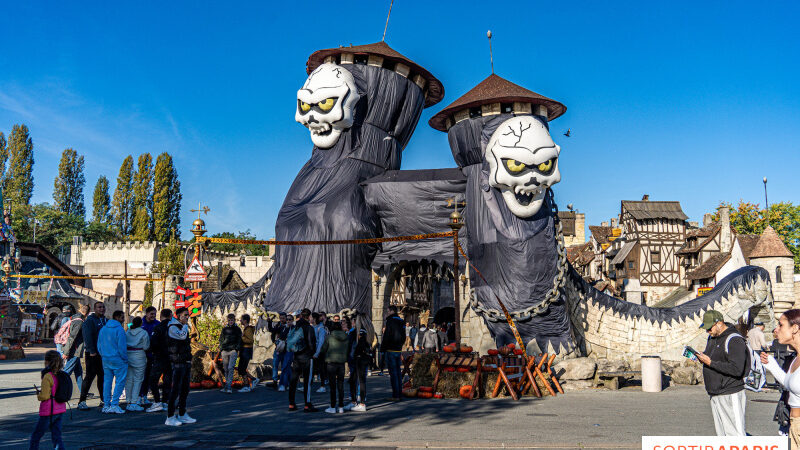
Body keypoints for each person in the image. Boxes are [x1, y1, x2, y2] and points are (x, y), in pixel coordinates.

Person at [695, 310, 749, 436]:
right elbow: (714, 358)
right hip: (715, 393)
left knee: (736, 434)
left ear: (719, 323)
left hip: (730, 392)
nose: (708, 331)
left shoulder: (734, 339)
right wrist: (702, 357)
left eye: (709, 328)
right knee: (722, 435)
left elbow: (737, 369)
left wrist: (710, 363)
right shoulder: (712, 338)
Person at [762, 309, 800, 447]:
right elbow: (790, 384)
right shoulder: (796, 358)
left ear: (795, 328)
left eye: (781, 325)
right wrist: (772, 365)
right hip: (793, 425)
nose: (776, 329)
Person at [29, 350, 67, 450]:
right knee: (57, 437)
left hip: (49, 410)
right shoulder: (61, 374)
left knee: (36, 436)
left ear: (47, 361)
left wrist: (39, 395)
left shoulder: (47, 376)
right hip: (60, 408)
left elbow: (45, 396)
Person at [165, 307, 196, 426]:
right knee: (175, 390)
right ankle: (170, 416)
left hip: (185, 361)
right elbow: (182, 336)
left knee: (185, 390)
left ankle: (182, 414)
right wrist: (184, 326)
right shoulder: (173, 327)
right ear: (178, 316)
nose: (187, 317)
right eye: (185, 315)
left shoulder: (181, 327)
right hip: (177, 362)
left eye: (188, 315)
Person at [98, 310, 128, 414]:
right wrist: (125, 358)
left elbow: (99, 345)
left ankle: (106, 404)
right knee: (120, 381)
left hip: (106, 358)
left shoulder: (103, 329)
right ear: (118, 318)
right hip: (118, 359)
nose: (123, 319)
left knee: (107, 382)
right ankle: (114, 404)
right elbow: (122, 347)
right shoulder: (120, 330)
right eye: (122, 317)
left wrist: (103, 354)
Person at [78, 301, 107, 410]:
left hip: (102, 354)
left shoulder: (105, 320)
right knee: (89, 377)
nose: (102, 309)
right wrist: (92, 350)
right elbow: (87, 336)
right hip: (92, 353)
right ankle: (82, 401)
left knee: (102, 377)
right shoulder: (90, 321)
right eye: (99, 307)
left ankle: (103, 400)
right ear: (95, 309)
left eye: (103, 307)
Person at [287, 308, 316, 412]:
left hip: (296, 356)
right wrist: (313, 353)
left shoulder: (295, 327)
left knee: (294, 380)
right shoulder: (309, 328)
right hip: (307, 356)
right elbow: (311, 343)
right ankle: (307, 404)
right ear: (309, 317)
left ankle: (291, 403)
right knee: (307, 381)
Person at [146, 309, 173, 413]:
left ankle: (157, 402)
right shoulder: (174, 327)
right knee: (167, 380)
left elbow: (153, 343)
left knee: (153, 380)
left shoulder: (158, 327)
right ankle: (165, 402)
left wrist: (152, 351)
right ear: (170, 316)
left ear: (161, 316)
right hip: (170, 357)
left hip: (160, 357)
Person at [319, 321, 348, 413]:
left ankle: (332, 406)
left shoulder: (329, 337)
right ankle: (341, 406)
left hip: (331, 362)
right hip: (342, 363)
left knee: (332, 386)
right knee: (341, 385)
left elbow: (323, 349)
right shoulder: (346, 336)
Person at [346, 317, 371, 412]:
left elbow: (353, 346)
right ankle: (358, 402)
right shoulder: (367, 331)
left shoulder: (358, 333)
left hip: (357, 358)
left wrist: (351, 356)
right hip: (363, 358)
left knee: (356, 380)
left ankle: (358, 403)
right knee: (360, 380)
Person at [380, 305, 405, 401]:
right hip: (398, 349)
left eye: (387, 311)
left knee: (393, 373)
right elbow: (403, 336)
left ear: (391, 311)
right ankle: (399, 393)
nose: (387, 313)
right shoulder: (401, 321)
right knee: (398, 372)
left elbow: (386, 336)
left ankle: (395, 395)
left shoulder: (390, 321)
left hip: (390, 349)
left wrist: (383, 349)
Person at [125, 316, 150, 411]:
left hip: (128, 355)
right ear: (141, 324)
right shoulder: (143, 333)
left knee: (129, 379)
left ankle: (128, 401)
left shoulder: (128, 332)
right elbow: (146, 346)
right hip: (139, 355)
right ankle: (134, 402)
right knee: (138, 379)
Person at [62, 304, 89, 389]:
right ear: (87, 313)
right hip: (74, 350)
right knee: (66, 372)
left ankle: (83, 392)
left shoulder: (74, 318)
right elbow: (72, 337)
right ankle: (56, 390)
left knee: (78, 372)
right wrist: (66, 352)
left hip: (74, 349)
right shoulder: (79, 322)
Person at [139, 306, 159, 405]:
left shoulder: (157, 324)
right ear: (146, 314)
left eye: (154, 314)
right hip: (141, 354)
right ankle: (138, 396)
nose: (153, 316)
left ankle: (145, 395)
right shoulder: (140, 324)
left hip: (152, 355)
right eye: (151, 314)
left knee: (148, 376)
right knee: (140, 376)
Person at [219, 313, 242, 394]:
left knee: (230, 368)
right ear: (227, 321)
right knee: (225, 369)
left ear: (234, 320)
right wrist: (221, 348)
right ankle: (226, 386)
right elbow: (221, 339)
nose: (230, 322)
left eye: (232, 320)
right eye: (229, 320)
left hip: (233, 351)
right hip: (225, 350)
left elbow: (239, 339)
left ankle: (229, 387)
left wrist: (236, 349)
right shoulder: (224, 329)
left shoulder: (237, 329)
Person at [267, 312, 290, 391]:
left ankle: (285, 382)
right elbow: (272, 330)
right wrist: (269, 322)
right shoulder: (278, 325)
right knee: (275, 364)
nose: (282, 320)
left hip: (286, 349)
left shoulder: (288, 326)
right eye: (280, 318)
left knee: (285, 366)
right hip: (278, 348)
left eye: (283, 318)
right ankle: (275, 381)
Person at [238, 314, 256, 392]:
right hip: (244, 350)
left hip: (246, 350)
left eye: (241, 319)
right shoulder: (245, 329)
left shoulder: (248, 329)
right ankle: (253, 379)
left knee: (241, 369)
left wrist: (241, 337)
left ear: (245, 321)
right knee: (241, 368)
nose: (240, 321)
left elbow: (250, 341)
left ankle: (246, 386)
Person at [312, 312, 328, 393]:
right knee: (311, 369)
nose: (309, 319)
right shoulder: (313, 327)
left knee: (321, 369)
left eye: (311, 317)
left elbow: (321, 342)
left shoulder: (321, 328)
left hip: (320, 352)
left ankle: (322, 386)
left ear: (314, 319)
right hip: (314, 351)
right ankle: (307, 386)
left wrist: (317, 353)